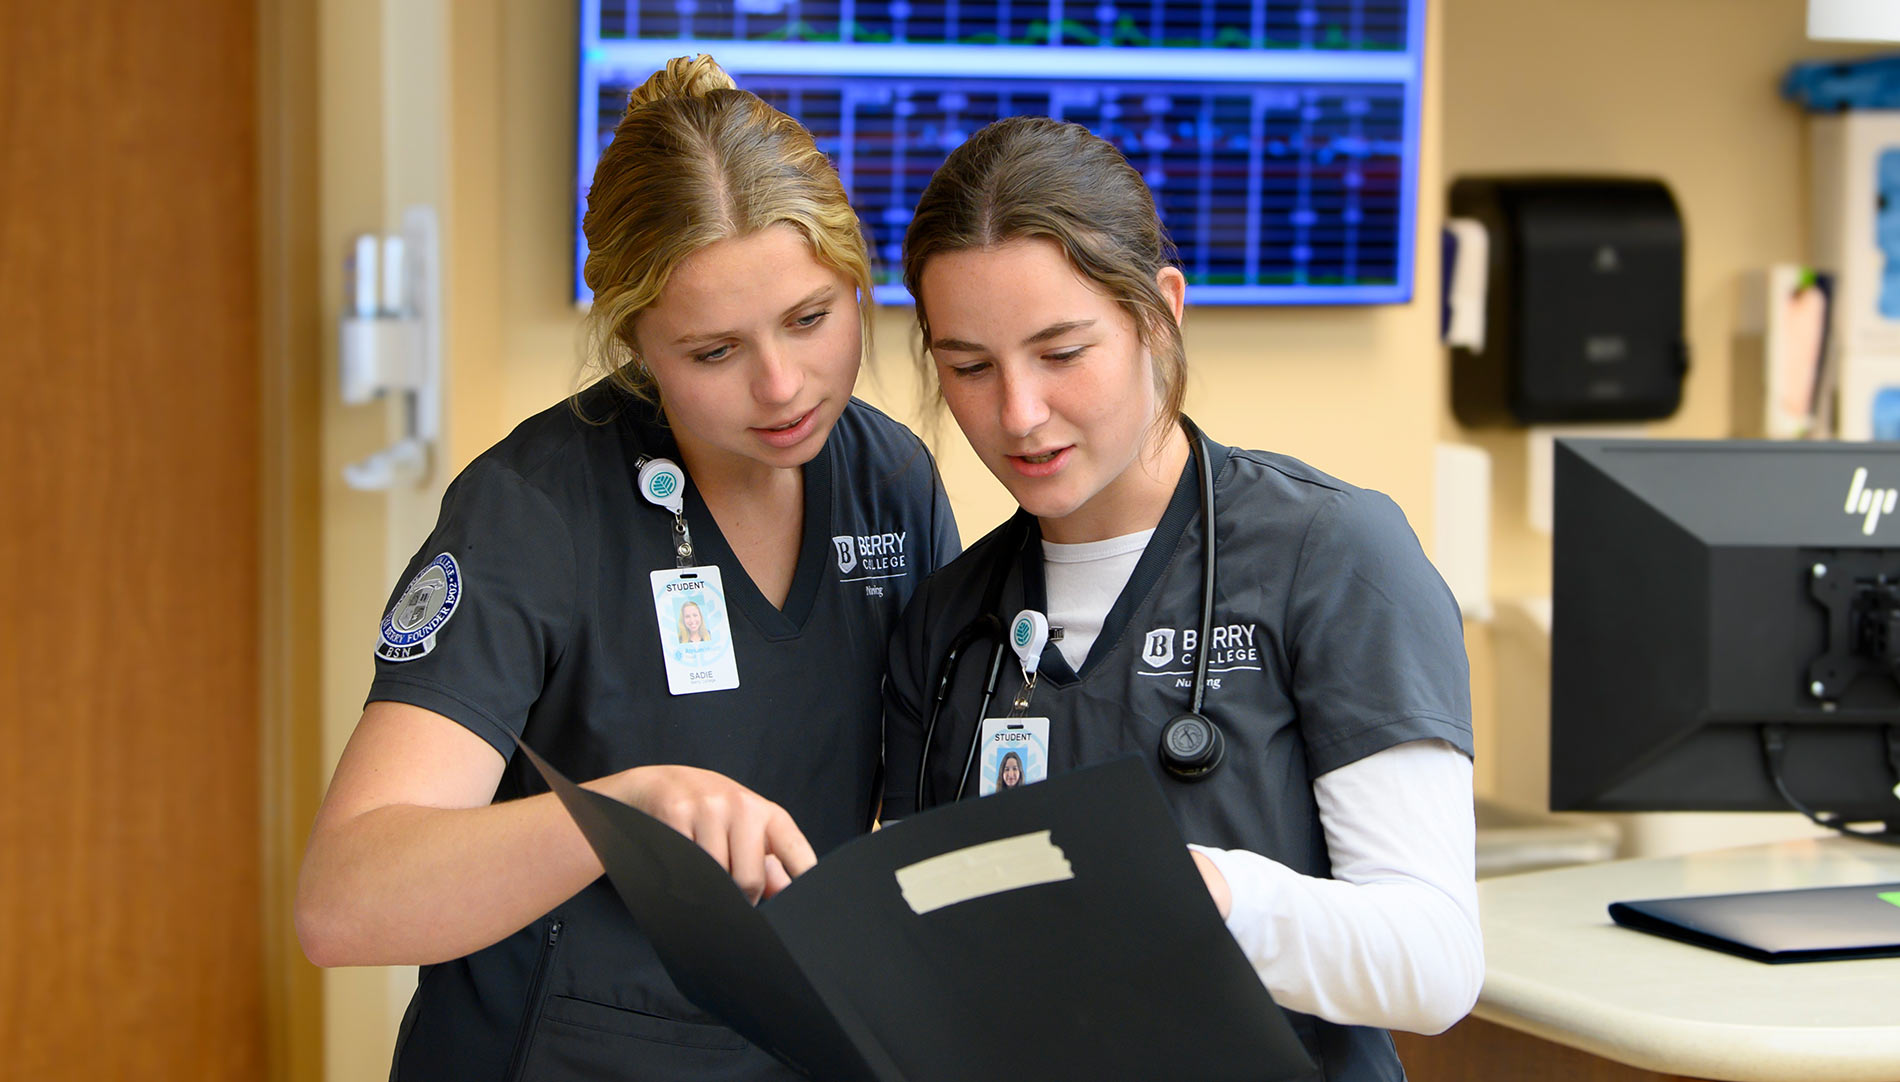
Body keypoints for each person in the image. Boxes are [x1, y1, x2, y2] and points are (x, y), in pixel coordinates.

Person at [296, 55, 958, 1081]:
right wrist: (624, 813)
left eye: (810, 320)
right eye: (712, 352)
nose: (782, 386)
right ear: (637, 341)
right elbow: (345, 900)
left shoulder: (888, 480)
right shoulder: (536, 509)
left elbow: (927, 827)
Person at [880, 116, 1481, 1081]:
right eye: (969, 367)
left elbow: (1435, 962)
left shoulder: (1332, 557)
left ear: (1159, 313)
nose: (1018, 413)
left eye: (1062, 352)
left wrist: (1203, 894)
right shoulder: (949, 625)